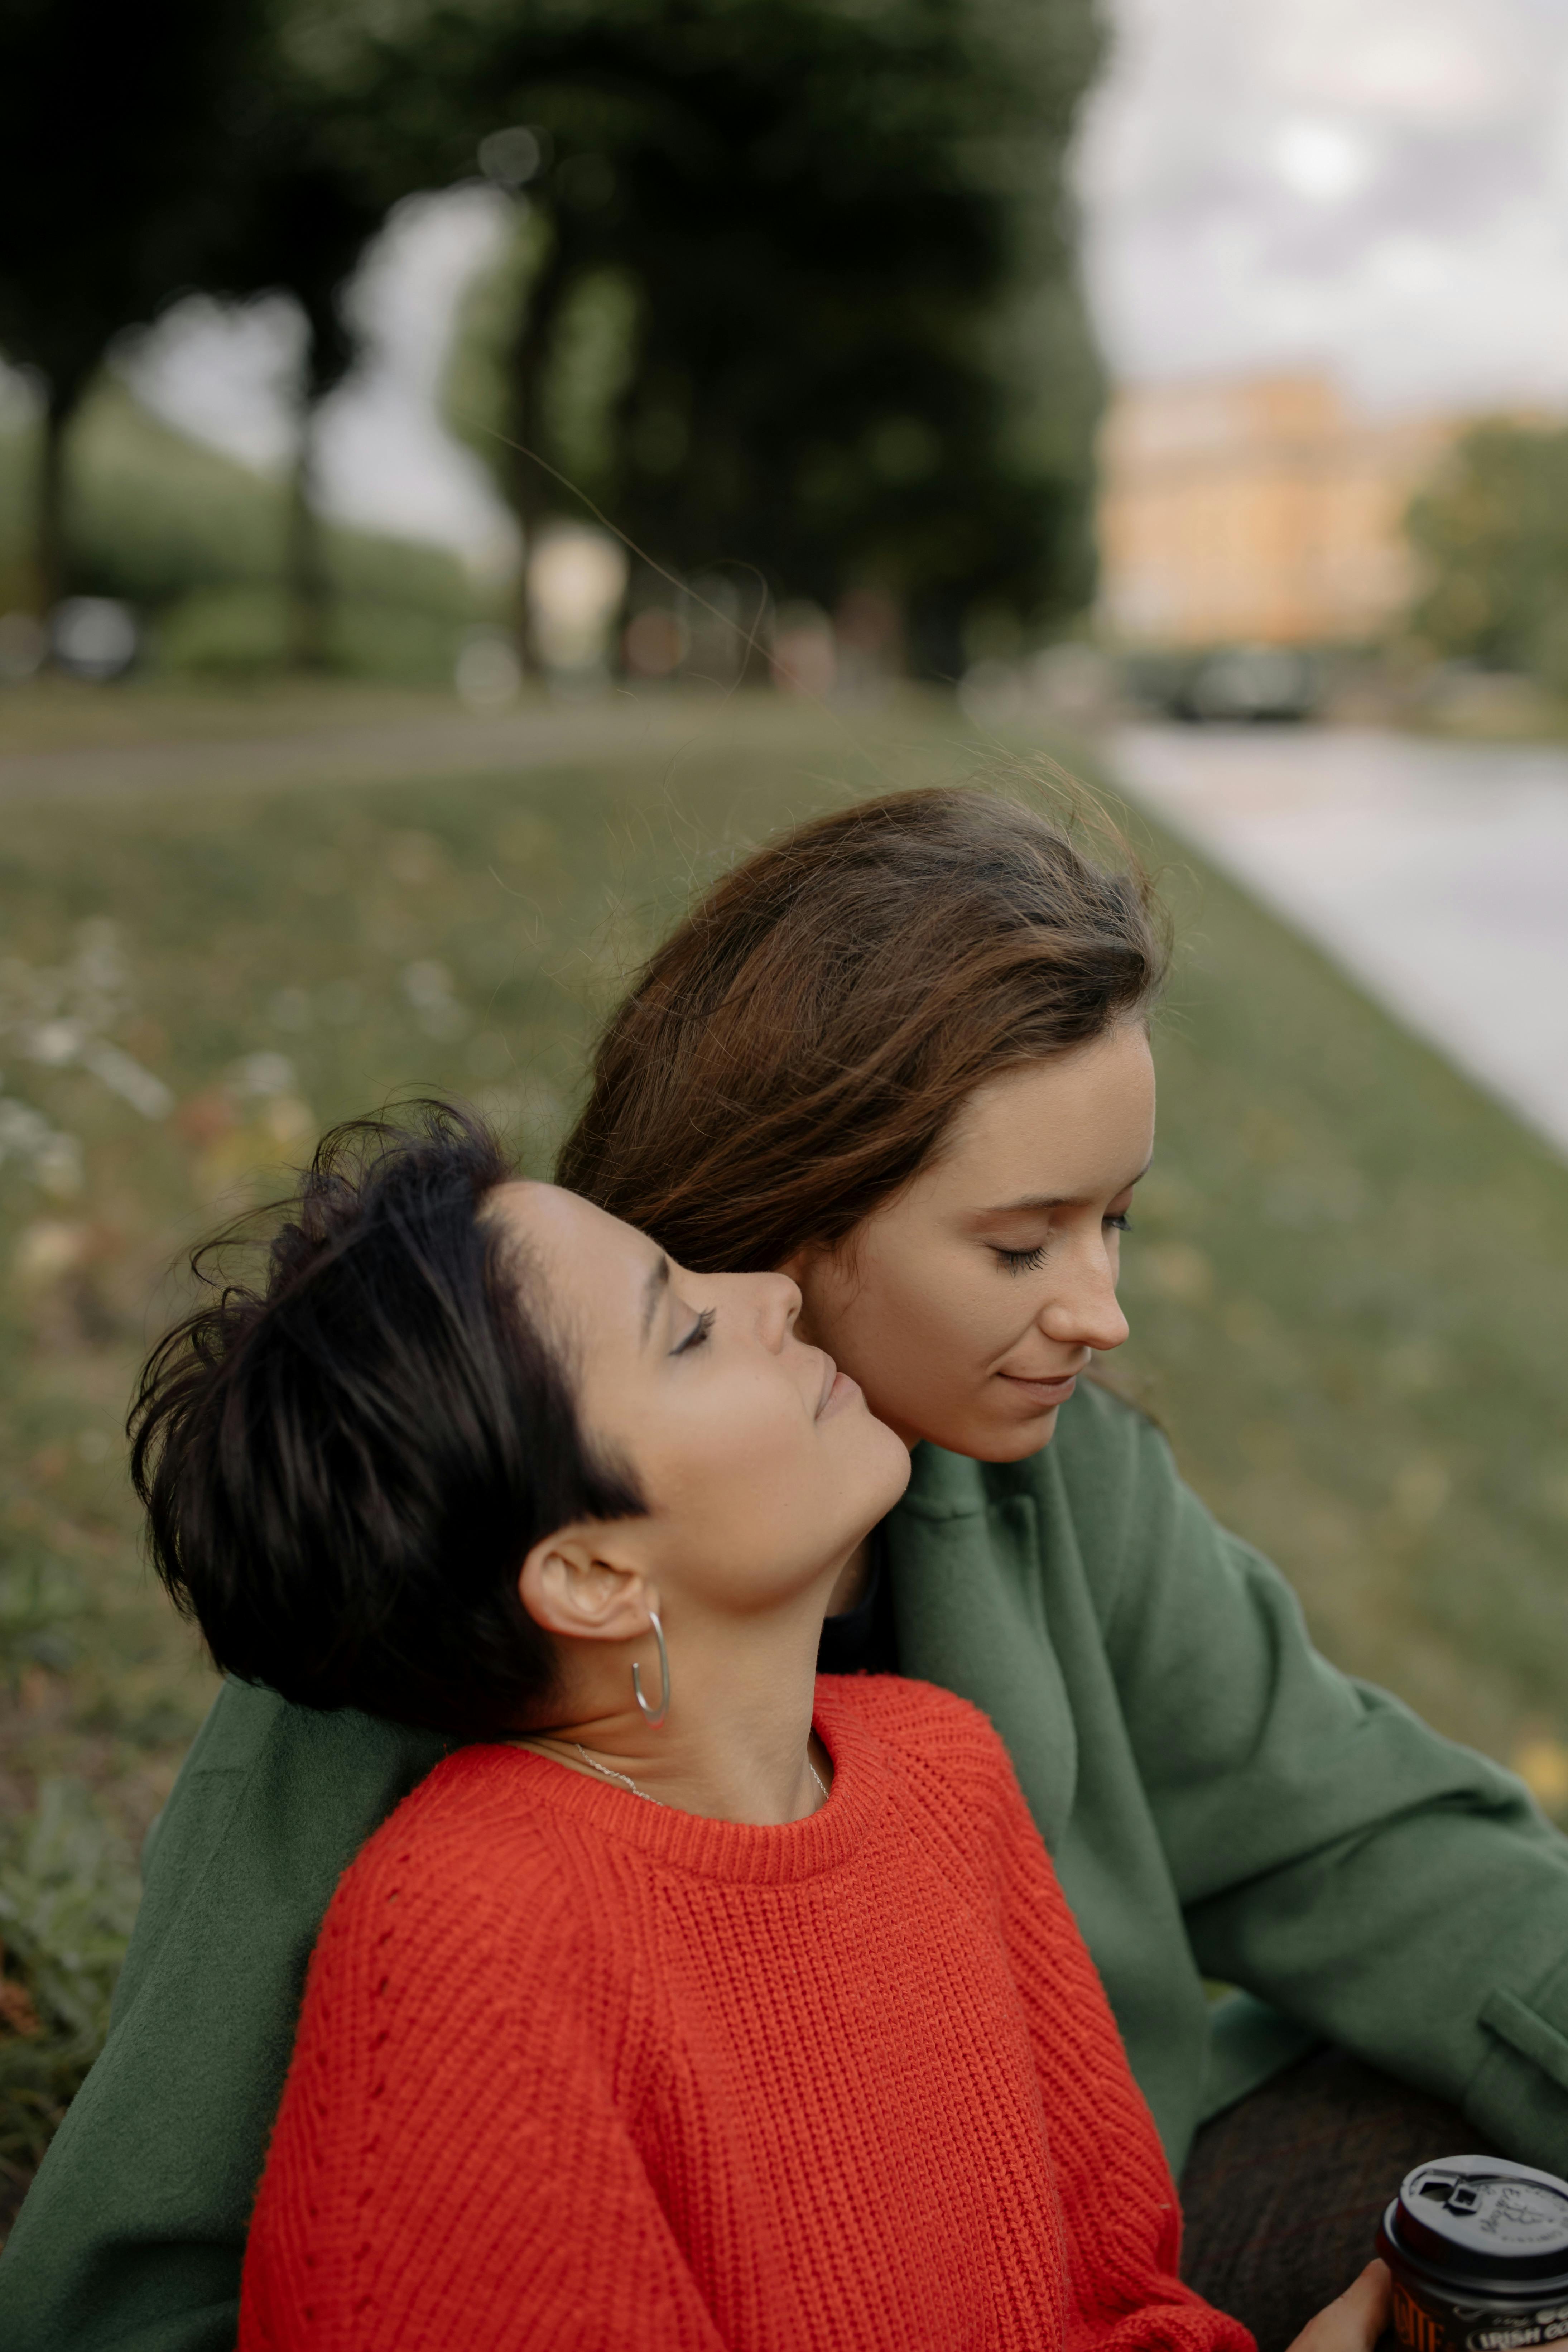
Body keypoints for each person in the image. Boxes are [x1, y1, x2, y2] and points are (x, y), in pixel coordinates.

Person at [3, 787, 1565, 2352]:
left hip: (1061, 2279)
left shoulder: (1014, 1593)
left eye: (1120, 1223)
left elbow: (1375, 1847)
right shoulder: (440, 1598)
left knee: (1489, 2193)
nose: (1102, 1315)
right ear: (793, 1224)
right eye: (1021, 1246)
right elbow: (147, 2278)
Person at [107, 1104, 1336, 2350]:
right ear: (591, 1576)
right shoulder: (470, 1934)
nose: (772, 1297)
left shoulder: (944, 1771)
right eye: (687, 1331)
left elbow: (1121, 2308)